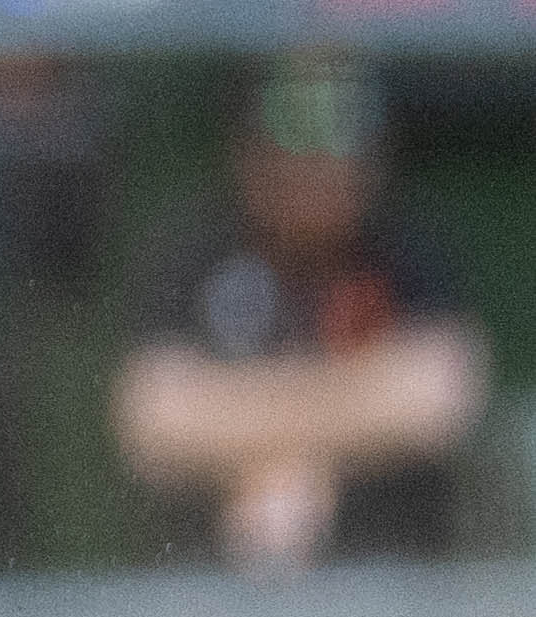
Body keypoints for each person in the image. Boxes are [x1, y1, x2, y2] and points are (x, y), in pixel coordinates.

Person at [112, 55, 492, 572]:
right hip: (201, 591)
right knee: (276, 503)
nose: (317, 176)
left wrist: (273, 446)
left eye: (337, 153)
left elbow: (439, 399)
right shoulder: (198, 248)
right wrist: (339, 416)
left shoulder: (403, 248)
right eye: (295, 154)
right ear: (250, 160)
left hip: (396, 577)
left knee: (284, 493)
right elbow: (154, 418)